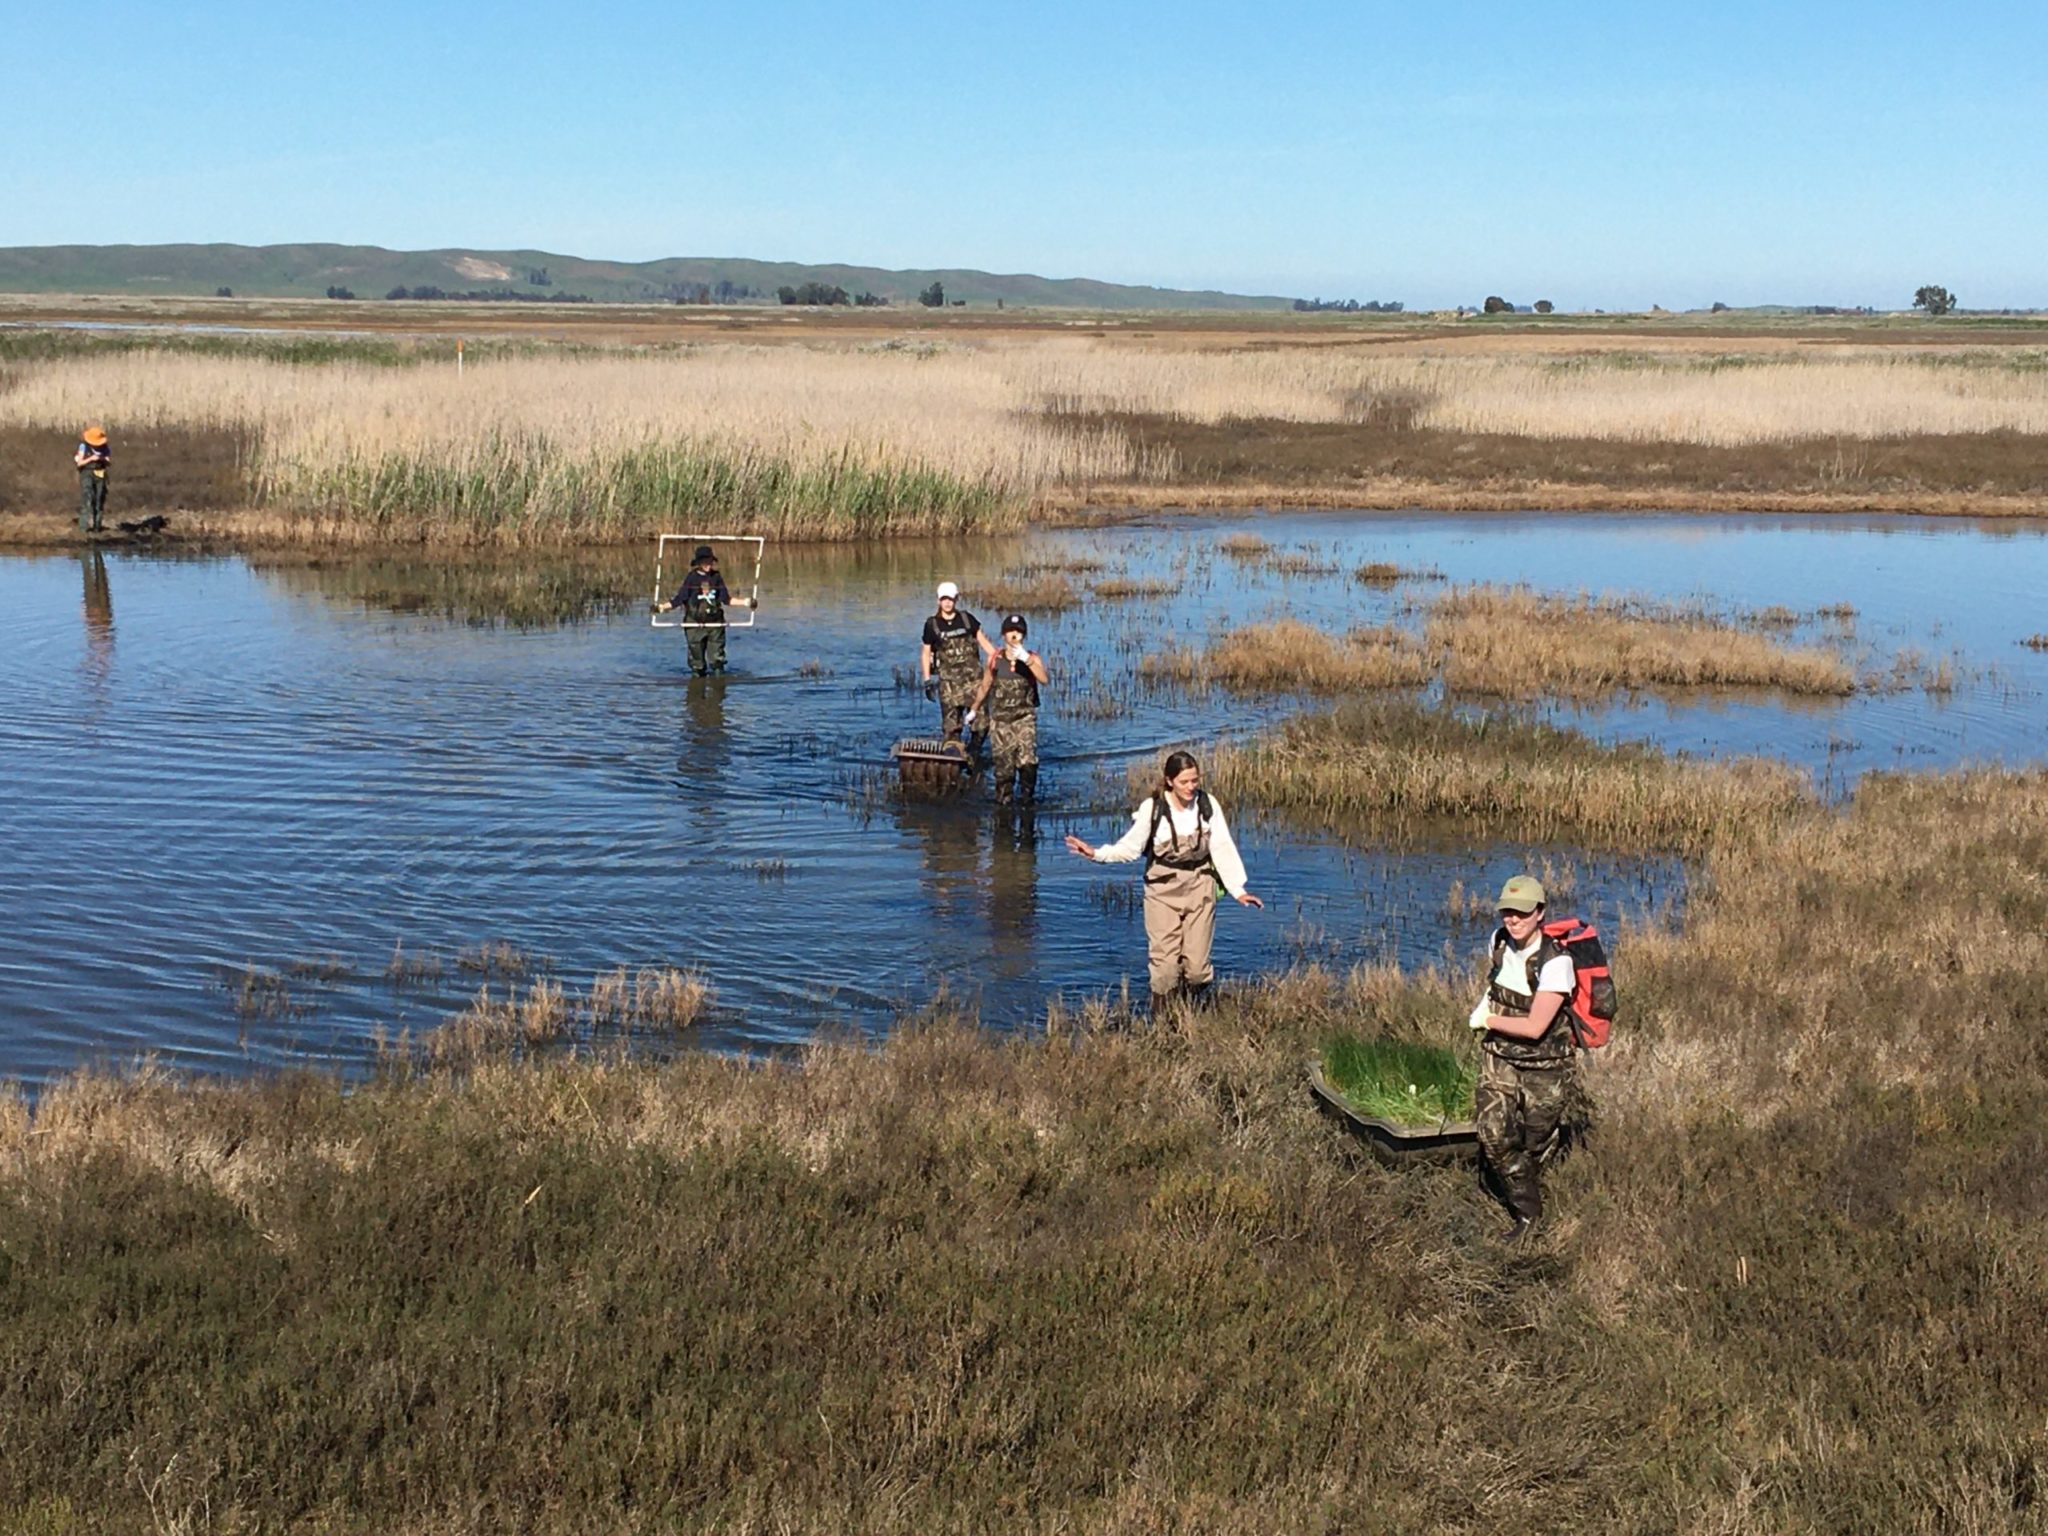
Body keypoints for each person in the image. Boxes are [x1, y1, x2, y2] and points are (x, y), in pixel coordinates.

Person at [1065, 750, 1262, 1014]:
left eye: (1195, 781)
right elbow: (1131, 848)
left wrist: (1238, 890)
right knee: (1165, 970)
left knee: (1198, 972)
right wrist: (1095, 853)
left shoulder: (1208, 804)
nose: (1191, 787)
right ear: (1169, 781)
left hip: (1200, 888)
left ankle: (1191, 1008)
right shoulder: (1153, 808)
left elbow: (1222, 846)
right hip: (1162, 892)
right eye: (1185, 782)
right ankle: (1163, 1022)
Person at [1467, 874, 1581, 1242]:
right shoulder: (1499, 942)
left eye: (1522, 912)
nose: (1513, 920)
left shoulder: (1556, 963)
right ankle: (1529, 1217)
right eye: (1507, 912)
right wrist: (1487, 1008)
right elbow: (1495, 984)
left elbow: (1534, 1027)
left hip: (1545, 1066)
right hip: (1499, 1055)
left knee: (1533, 1142)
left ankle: (1524, 1172)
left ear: (1540, 913)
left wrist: (1487, 1020)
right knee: (1494, 1132)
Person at [968, 613, 1050, 806]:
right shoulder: (995, 660)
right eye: (1010, 631)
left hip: (1024, 720)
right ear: (1003, 634)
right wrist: (974, 709)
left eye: (1019, 631)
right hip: (1000, 723)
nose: (1014, 635)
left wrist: (1026, 660)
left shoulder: (1032, 658)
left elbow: (1044, 679)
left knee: (1028, 763)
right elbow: (985, 686)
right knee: (1004, 773)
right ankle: (1003, 810)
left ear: (1024, 635)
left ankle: (1027, 800)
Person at [655, 545, 755, 676]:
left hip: (715, 624)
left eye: (710, 561)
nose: (708, 564)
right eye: (705, 561)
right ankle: (696, 687)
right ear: (698, 563)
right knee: (697, 664)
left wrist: (747, 602)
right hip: (694, 624)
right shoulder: (691, 578)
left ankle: (719, 689)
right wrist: (661, 608)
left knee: (717, 661)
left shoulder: (716, 577)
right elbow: (679, 599)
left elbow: (726, 599)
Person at [919, 581, 997, 743]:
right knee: (951, 730)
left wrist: (999, 661)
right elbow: (926, 653)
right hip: (949, 686)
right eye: (944, 599)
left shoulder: (967, 619)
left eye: (951, 599)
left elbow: (984, 643)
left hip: (974, 683)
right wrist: (927, 681)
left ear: (956, 599)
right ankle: (954, 758)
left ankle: (974, 755)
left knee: (982, 726)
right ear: (938, 600)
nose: (947, 602)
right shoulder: (931, 625)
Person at [74, 425, 111, 534]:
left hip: (100, 474)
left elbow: (109, 462)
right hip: (87, 473)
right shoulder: (83, 446)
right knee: (87, 498)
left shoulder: (105, 447)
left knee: (99, 500)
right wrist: (91, 459)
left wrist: (102, 459)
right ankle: (83, 528)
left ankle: (97, 527)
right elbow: (79, 463)